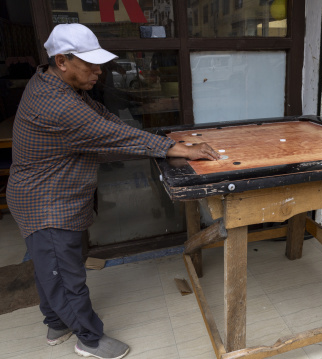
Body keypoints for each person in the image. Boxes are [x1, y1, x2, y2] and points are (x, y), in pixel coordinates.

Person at [6, 24, 220, 359]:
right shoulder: (56, 104)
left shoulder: (57, 84)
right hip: (45, 203)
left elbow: (105, 119)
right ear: (62, 61)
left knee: (53, 265)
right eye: (89, 65)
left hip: (55, 194)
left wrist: (165, 143)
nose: (98, 71)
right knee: (64, 274)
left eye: (98, 63)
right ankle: (89, 339)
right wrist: (174, 149)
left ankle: (56, 323)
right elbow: (111, 135)